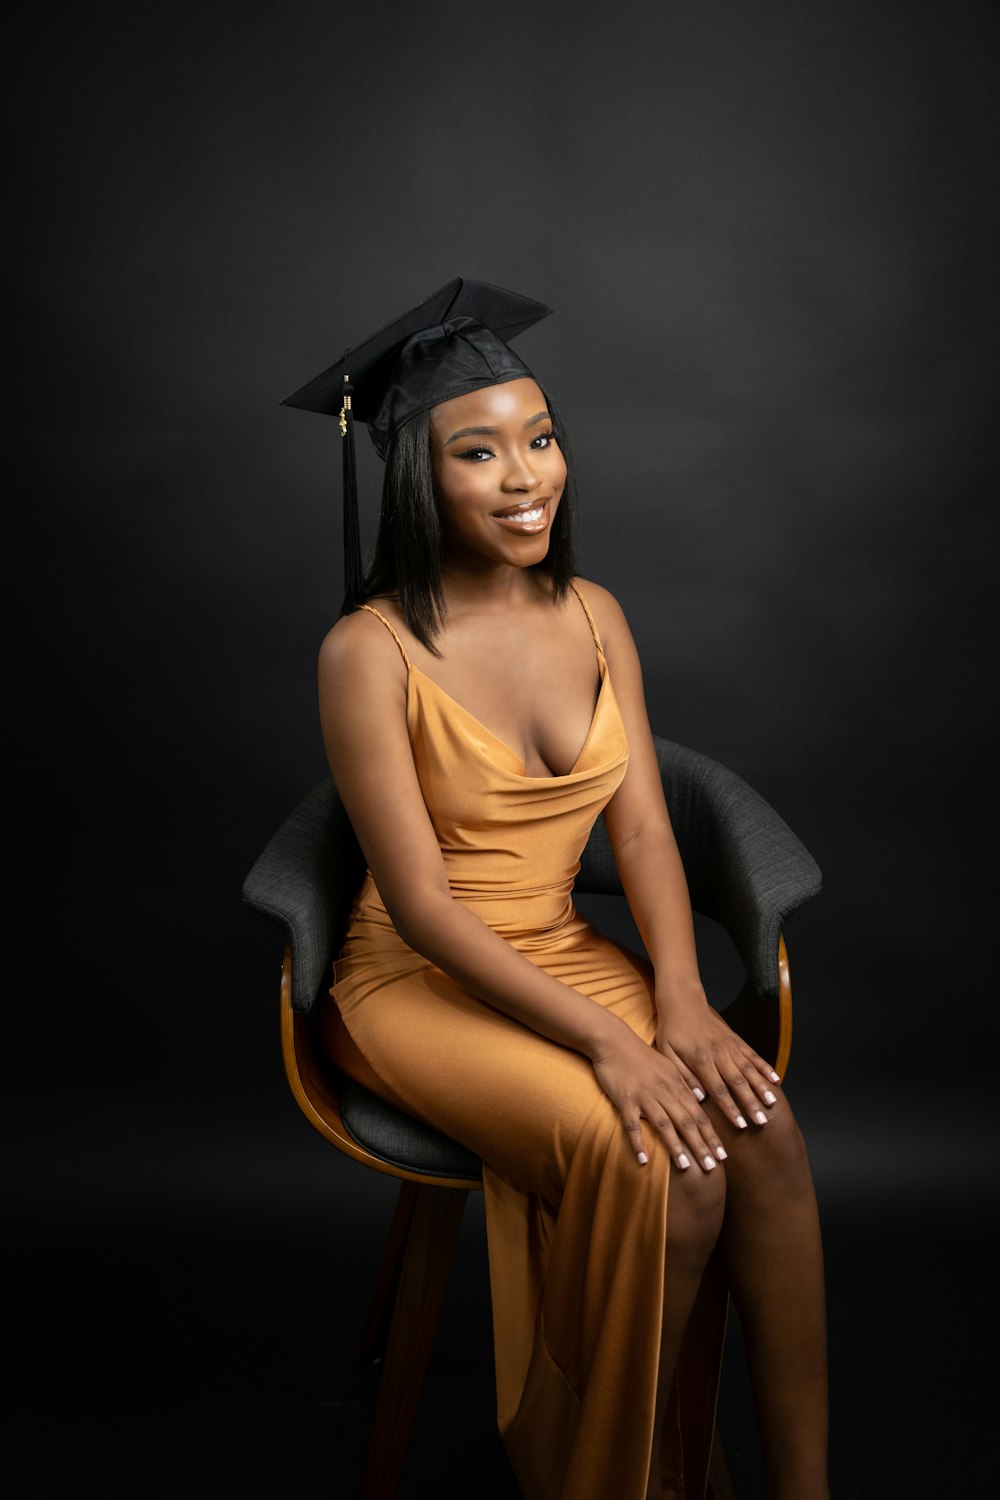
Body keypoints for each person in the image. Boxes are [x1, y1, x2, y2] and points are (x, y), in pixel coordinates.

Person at [281, 277, 830, 1500]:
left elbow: (640, 827)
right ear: (422, 480)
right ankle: (614, 1475)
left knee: (764, 1134)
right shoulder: (366, 652)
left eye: (541, 437)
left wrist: (681, 1006)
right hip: (418, 980)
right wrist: (613, 1048)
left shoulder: (592, 614)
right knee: (662, 1165)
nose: (526, 476)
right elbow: (420, 904)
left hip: (557, 947)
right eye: (480, 452)